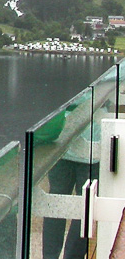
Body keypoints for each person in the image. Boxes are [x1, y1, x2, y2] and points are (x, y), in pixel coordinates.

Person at [42, 111, 102, 259]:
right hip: (92, 144)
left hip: (62, 142)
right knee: (85, 206)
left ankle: (50, 256)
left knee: (56, 203)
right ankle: (72, 256)